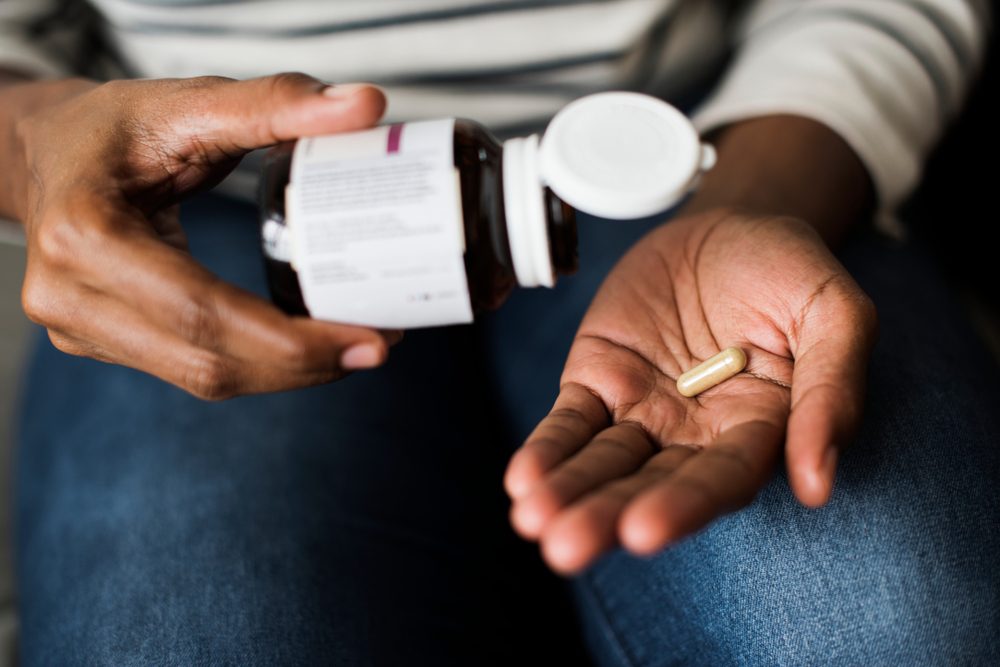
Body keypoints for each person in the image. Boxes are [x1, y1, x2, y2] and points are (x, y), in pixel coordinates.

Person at [1, 0, 997, 664]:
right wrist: (38, 147)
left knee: (897, 623)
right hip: (214, 192)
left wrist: (757, 197)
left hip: (708, 154)